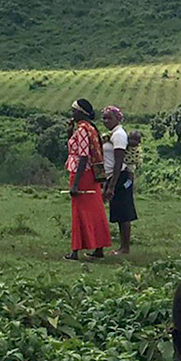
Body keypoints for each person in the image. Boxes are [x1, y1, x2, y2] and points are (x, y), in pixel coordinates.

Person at [66, 99, 111, 260]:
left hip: (82, 174)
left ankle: (75, 251)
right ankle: (99, 248)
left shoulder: (83, 130)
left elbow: (83, 156)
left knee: (79, 211)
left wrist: (76, 183)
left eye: (74, 110)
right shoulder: (90, 129)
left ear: (81, 113)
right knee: (95, 210)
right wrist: (70, 133)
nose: (72, 113)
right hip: (91, 174)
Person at [102, 104, 138, 258]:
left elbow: (118, 162)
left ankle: (125, 248)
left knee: (124, 213)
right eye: (103, 118)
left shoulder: (118, 135)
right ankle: (123, 246)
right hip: (114, 177)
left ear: (118, 118)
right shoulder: (112, 134)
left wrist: (112, 186)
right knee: (119, 212)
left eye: (109, 118)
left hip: (119, 177)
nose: (106, 121)